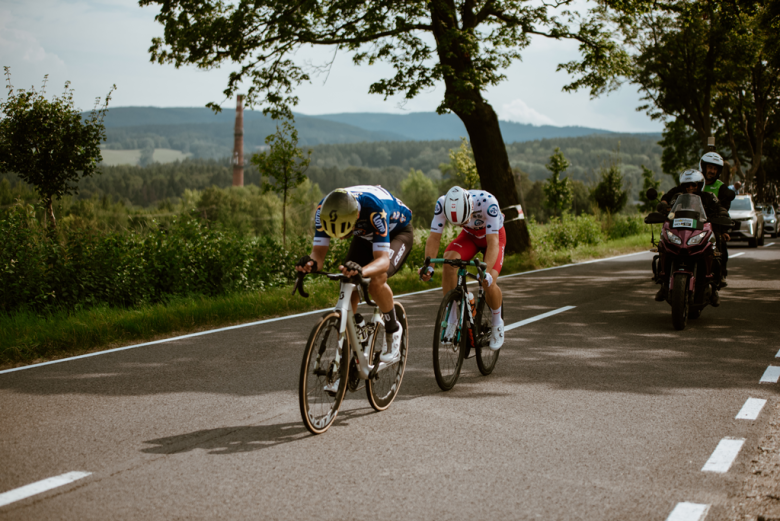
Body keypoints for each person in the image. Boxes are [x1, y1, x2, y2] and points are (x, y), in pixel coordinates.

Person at [295, 186, 414, 365]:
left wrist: (362, 271)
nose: (342, 239)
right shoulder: (323, 211)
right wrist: (310, 264)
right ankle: (344, 356)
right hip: (365, 235)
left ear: (356, 217)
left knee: (376, 281)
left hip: (397, 233)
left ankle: (393, 329)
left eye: (345, 233)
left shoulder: (374, 209)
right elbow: (318, 255)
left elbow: (383, 261)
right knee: (347, 281)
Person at [419, 186, 506, 350]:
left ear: (471, 207)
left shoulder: (489, 203)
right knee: (449, 261)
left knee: (488, 282)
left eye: (465, 220)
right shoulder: (443, 203)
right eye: (459, 223)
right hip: (470, 237)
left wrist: (486, 272)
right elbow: (434, 237)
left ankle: (497, 323)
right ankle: (451, 318)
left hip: (493, 238)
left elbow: (493, 242)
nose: (463, 224)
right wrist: (429, 266)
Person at [655, 169, 724, 305]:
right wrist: (662, 207)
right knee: (662, 246)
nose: (690, 188)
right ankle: (663, 283)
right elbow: (666, 205)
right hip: (680, 231)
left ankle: (714, 286)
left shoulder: (709, 197)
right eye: (687, 185)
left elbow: (720, 208)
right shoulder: (676, 197)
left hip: (702, 231)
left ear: (700, 184)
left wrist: (722, 214)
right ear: (683, 186)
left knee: (716, 249)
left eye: (694, 185)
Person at [699, 152, 736, 286]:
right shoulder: (695, 182)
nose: (712, 171)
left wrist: (723, 229)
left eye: (715, 169)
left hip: (713, 224)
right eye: (710, 167)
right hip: (692, 222)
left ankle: (720, 275)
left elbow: (724, 210)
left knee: (720, 242)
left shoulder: (721, 187)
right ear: (703, 167)